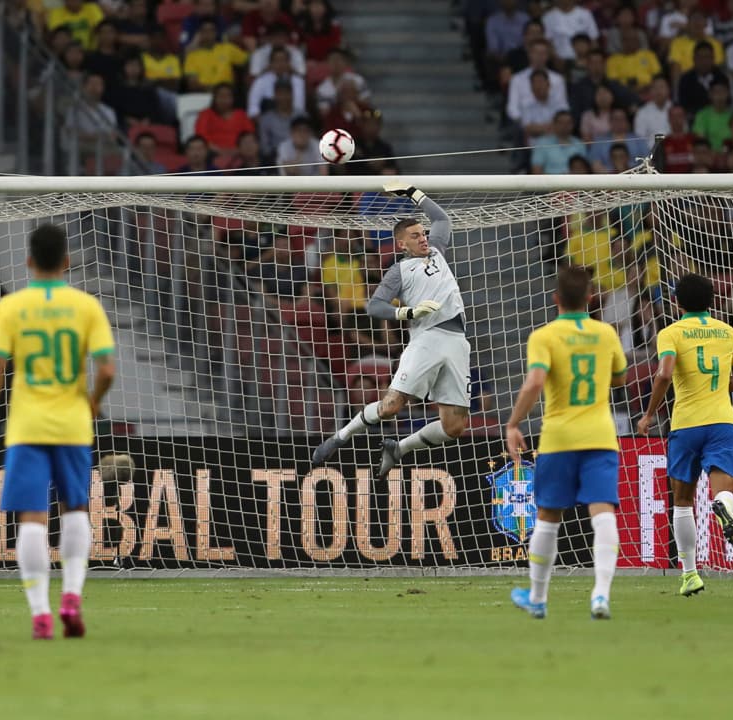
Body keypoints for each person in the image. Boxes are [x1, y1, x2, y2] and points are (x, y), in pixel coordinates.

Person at [0, 225, 117, 639]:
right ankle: (71, 597)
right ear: (68, 261)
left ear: (30, 261)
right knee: (76, 508)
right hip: (72, 424)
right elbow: (107, 368)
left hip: (27, 425)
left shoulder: (12, 307)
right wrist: (93, 401)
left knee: (32, 518)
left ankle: (40, 613)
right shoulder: (86, 305)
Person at [311, 184, 471, 480]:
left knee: (455, 426)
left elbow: (442, 220)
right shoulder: (399, 271)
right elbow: (374, 306)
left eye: (423, 233)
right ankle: (340, 436)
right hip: (426, 340)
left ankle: (399, 449)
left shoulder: (437, 250)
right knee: (391, 406)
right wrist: (407, 313)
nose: (423, 238)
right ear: (401, 244)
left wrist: (414, 193)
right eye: (415, 236)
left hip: (458, 342)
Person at [505, 266, 624, 620]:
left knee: (547, 516)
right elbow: (620, 377)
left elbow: (535, 382)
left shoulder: (545, 336)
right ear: (590, 298)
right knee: (602, 513)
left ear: (555, 298)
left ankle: (538, 598)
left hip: (558, 438)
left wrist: (513, 423)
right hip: (600, 436)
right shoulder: (606, 333)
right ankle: (600, 595)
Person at [636, 274, 733, 596]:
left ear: (677, 302)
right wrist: (714, 386)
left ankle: (690, 574)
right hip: (722, 421)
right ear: (711, 301)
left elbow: (664, 373)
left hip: (686, 423)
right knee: (722, 485)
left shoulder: (671, 333)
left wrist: (648, 414)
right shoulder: (727, 332)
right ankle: (723, 504)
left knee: (683, 501)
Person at [183, 18, 248, 93]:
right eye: (205, 31)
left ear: (216, 33)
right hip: (203, 94)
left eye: (211, 30)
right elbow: (192, 83)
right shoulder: (192, 55)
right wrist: (212, 90)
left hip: (227, 93)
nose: (208, 33)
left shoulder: (228, 48)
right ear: (199, 33)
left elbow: (247, 60)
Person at [247, 46, 307, 119]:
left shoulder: (298, 81)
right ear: (270, 64)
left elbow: (299, 107)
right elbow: (253, 109)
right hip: (267, 120)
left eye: (283, 60)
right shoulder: (260, 81)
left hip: (293, 120)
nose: (280, 64)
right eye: (276, 61)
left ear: (289, 63)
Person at [692, 78, 733, 150]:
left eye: (723, 91)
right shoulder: (702, 115)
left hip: (730, 157)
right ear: (710, 95)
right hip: (709, 157)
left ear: (728, 93)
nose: (720, 96)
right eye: (716, 92)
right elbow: (701, 142)